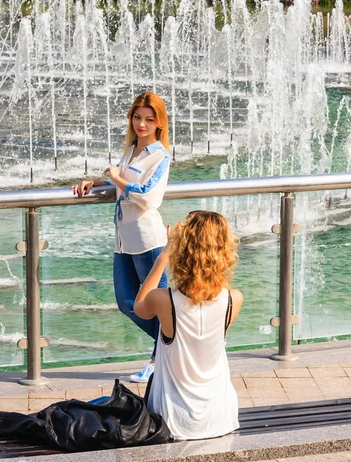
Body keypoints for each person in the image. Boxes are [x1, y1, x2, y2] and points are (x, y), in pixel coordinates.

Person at [71, 92, 171, 383]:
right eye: (137, 117)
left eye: (149, 119)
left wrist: (115, 178)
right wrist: (96, 182)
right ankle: (174, 341)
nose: (142, 124)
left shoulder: (159, 157)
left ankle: (159, 359)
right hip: (123, 240)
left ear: (159, 123)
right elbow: (124, 178)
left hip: (148, 241)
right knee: (127, 302)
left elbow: (147, 197)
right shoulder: (131, 151)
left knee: (156, 305)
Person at [133, 211, 244, 440]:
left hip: (173, 421)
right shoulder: (233, 299)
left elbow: (139, 307)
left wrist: (163, 256)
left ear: (182, 250)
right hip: (221, 417)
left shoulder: (164, 300)